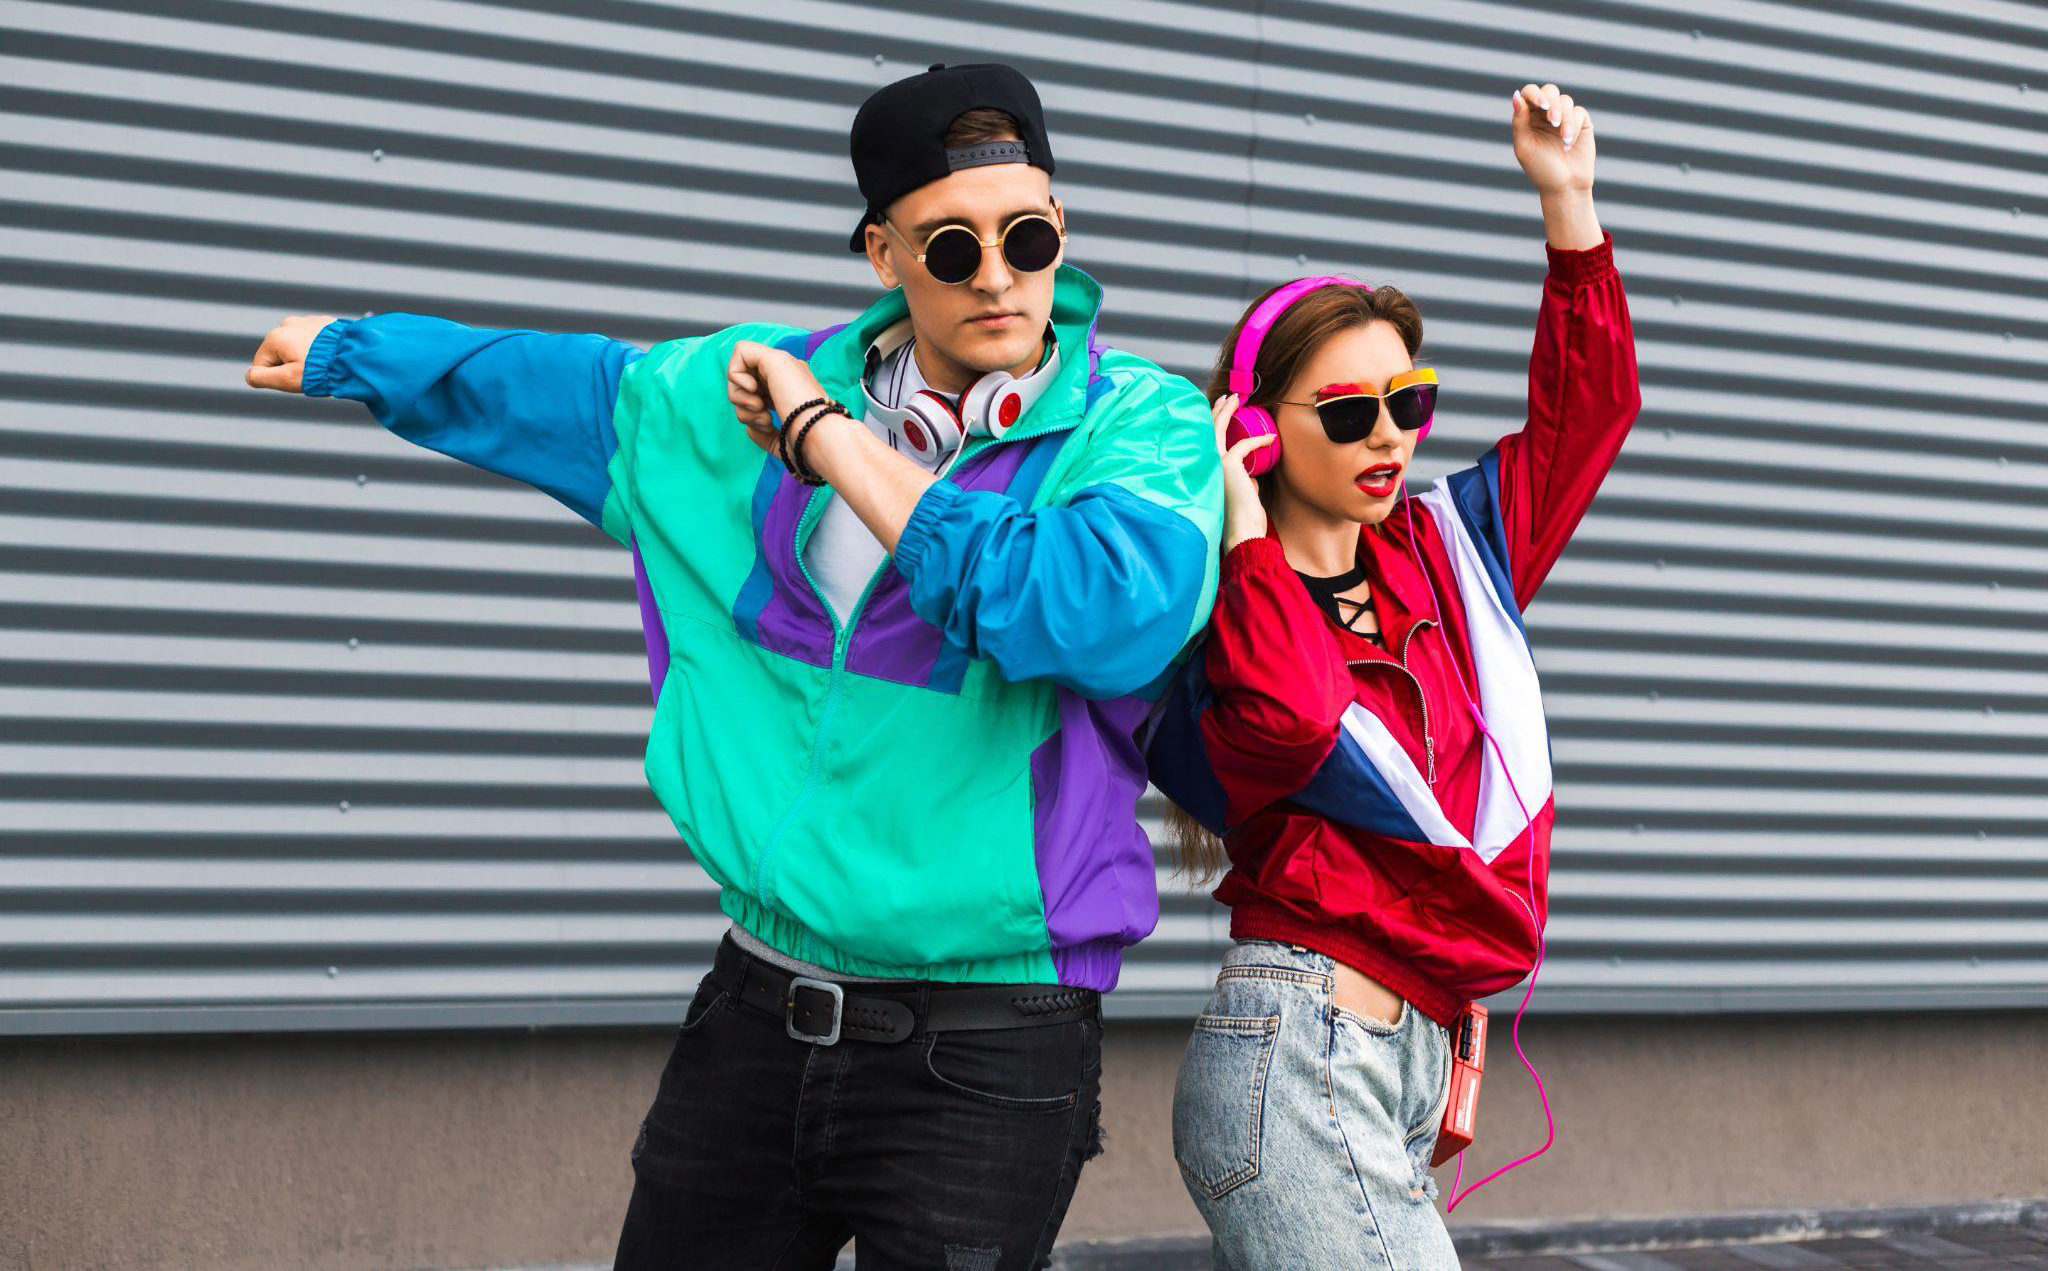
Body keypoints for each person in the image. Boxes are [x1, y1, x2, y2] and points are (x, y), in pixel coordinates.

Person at [244, 62, 1223, 1269]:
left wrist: (830, 443)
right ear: (882, 254)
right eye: (949, 245)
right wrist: (359, 352)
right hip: (756, 1015)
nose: (996, 276)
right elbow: (581, 394)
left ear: (1059, 229)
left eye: (1026, 238)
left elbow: (1090, 616)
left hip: (985, 1046)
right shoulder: (752, 385)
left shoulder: (1138, 424)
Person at [1142, 82, 1639, 1269]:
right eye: (1348, 411)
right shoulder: (1205, 614)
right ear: (1255, 428)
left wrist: (1568, 207)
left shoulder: (1449, 549)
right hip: (1301, 1058)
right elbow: (1293, 717)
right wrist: (1244, 529)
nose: (1389, 436)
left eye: (1408, 402)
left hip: (1405, 1062)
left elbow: (1587, 416)